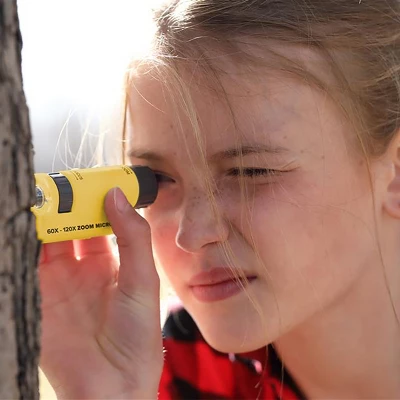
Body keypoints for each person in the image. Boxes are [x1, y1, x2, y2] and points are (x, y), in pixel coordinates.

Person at [38, 0, 400, 398]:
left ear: (395, 173)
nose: (191, 236)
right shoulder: (168, 370)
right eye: (157, 180)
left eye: (250, 172)